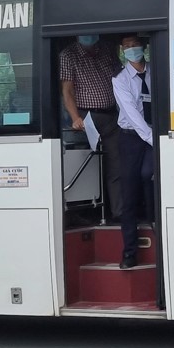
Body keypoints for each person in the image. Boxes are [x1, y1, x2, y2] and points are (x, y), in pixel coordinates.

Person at [60, 35, 123, 221]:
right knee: (88, 164)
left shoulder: (107, 49)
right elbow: (67, 90)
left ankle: (118, 213)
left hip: (112, 115)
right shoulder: (68, 54)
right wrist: (75, 118)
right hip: (85, 117)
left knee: (116, 165)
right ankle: (85, 212)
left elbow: (120, 77)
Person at [112, 35, 155, 269]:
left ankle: (156, 227)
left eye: (134, 45)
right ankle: (129, 252)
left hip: (154, 135)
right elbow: (130, 113)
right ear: (121, 50)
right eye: (126, 46)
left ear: (144, 47)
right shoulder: (120, 79)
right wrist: (150, 138)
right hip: (131, 138)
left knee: (149, 176)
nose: (131, 49)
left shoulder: (156, 72)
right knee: (129, 193)